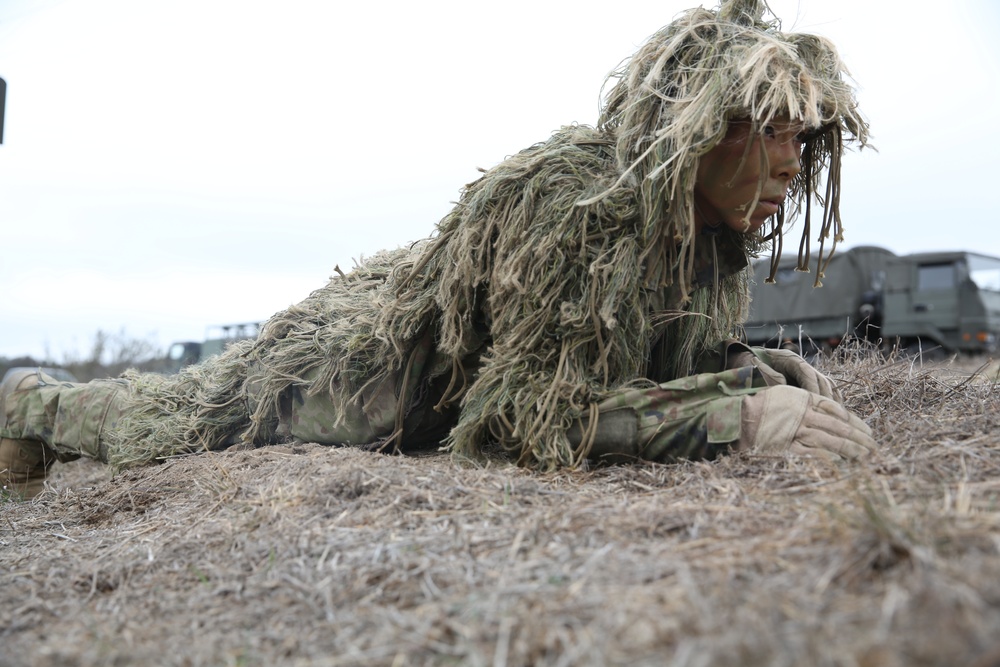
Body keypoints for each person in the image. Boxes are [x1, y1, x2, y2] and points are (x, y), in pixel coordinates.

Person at [1, 0, 876, 500]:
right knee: (163, 426)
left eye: (804, 138)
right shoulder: (578, 203)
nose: (793, 162)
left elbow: (628, 360)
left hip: (408, 324)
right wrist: (736, 418)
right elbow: (512, 422)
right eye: (769, 131)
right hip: (349, 373)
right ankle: (31, 398)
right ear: (691, 132)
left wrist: (741, 367)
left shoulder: (707, 242)